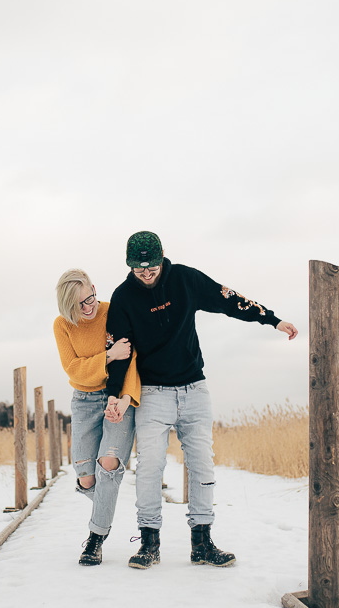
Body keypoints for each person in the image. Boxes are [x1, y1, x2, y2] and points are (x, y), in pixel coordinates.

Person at [104, 231, 298, 569]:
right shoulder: (122, 298)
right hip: (152, 394)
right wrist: (114, 394)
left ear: (163, 259)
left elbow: (227, 298)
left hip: (194, 389)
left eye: (152, 269)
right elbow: (120, 352)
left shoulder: (184, 279)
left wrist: (272, 319)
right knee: (150, 467)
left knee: (202, 463)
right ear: (130, 266)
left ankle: (203, 542)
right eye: (139, 270)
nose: (147, 275)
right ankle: (149, 542)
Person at [53, 268, 141, 566]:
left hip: (116, 399)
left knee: (108, 463)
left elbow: (132, 357)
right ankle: (108, 500)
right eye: (80, 304)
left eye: (90, 298)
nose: (89, 307)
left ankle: (95, 539)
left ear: (94, 288)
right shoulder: (62, 326)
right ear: (68, 306)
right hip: (83, 400)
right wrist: (107, 356)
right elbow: (74, 368)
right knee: (86, 476)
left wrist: (125, 398)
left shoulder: (113, 311)